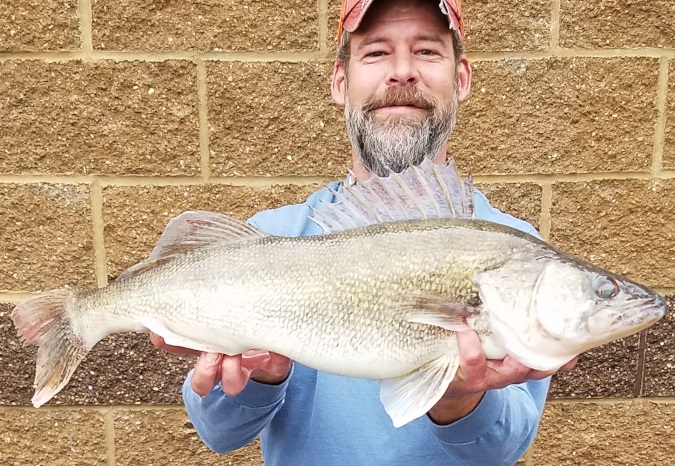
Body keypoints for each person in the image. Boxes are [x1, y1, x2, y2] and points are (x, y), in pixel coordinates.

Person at [151, 0, 577, 464]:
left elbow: (501, 452)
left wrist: (458, 399)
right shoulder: (271, 238)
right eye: (375, 53)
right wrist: (262, 377)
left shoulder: (514, 252)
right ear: (340, 81)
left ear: (461, 79)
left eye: (428, 52)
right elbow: (218, 432)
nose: (402, 72)